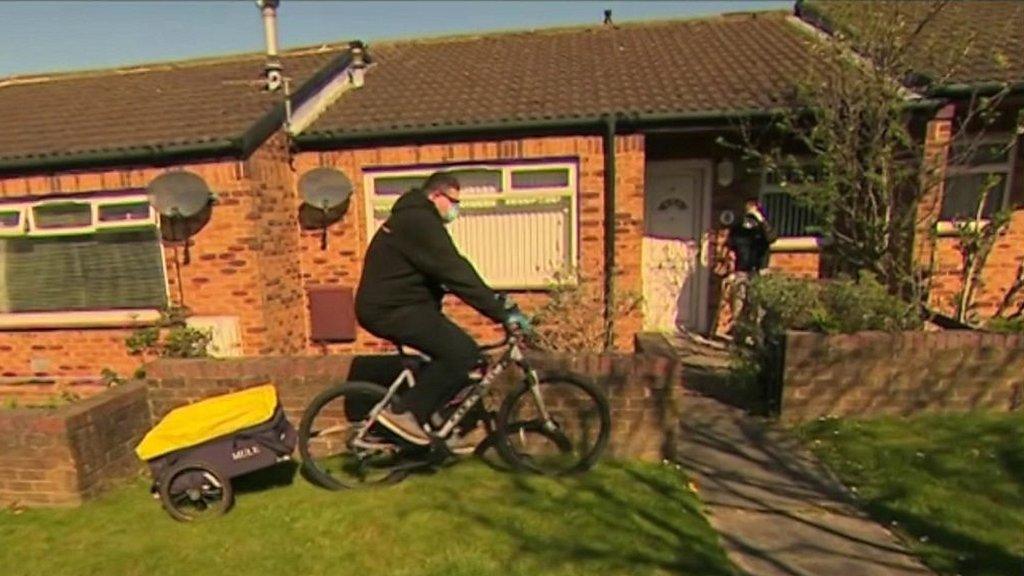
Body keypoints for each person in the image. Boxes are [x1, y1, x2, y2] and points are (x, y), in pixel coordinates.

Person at [354, 171, 532, 448]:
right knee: (462, 353)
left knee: (460, 357)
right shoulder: (419, 223)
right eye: (453, 201)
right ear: (436, 195)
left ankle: (431, 416)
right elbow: (455, 271)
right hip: (390, 310)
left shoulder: (415, 220)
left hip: (400, 306)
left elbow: (447, 274)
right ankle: (404, 415)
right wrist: (500, 313)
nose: (455, 209)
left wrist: (495, 299)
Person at [721, 198, 777, 335]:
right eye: (748, 210)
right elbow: (729, 250)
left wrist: (760, 219)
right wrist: (730, 271)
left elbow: (771, 238)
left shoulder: (763, 229)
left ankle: (756, 338)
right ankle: (738, 339)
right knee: (738, 307)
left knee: (758, 309)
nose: (750, 214)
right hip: (741, 271)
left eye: (753, 210)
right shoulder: (738, 229)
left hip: (760, 271)